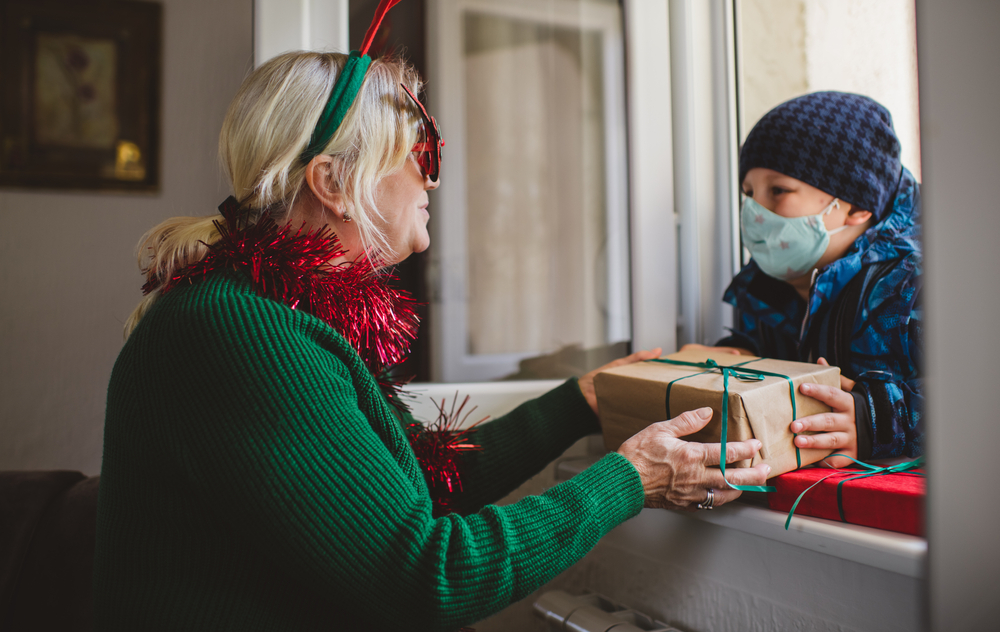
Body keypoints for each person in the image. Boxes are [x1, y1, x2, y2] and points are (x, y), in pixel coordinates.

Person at [92, 49, 770, 631]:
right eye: (420, 152)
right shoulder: (237, 331)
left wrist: (579, 400)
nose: (433, 177)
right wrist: (633, 477)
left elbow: (419, 485)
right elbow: (425, 574)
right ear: (331, 181)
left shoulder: (274, 309)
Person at [683, 91, 923, 466]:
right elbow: (777, 347)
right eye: (748, 193)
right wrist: (739, 359)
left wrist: (873, 421)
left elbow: (976, 398)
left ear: (857, 205)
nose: (754, 211)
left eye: (777, 191)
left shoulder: (922, 281)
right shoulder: (769, 279)